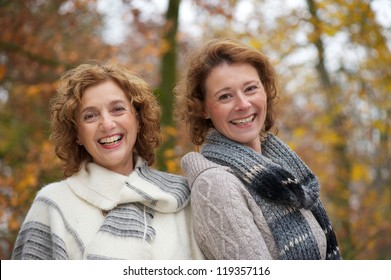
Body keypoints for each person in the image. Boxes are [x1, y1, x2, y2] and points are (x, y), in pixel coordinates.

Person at [12, 62, 203, 260]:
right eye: (90, 115)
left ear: (138, 120)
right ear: (77, 133)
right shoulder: (53, 205)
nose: (107, 124)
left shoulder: (184, 198)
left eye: (117, 109)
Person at [174, 38, 342, 260]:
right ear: (203, 108)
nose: (243, 104)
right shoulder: (215, 185)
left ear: (265, 91)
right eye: (225, 96)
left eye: (251, 88)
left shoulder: (282, 171)